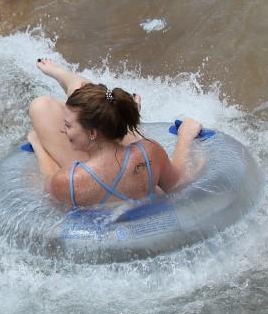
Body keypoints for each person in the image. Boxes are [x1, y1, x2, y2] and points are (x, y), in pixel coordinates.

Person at [26, 58, 203, 208]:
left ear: (93, 134)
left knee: (44, 106)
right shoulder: (148, 152)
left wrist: (38, 145)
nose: (63, 130)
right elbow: (178, 182)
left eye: (67, 126)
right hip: (125, 157)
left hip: (93, 175)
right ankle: (69, 79)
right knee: (89, 102)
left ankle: (72, 81)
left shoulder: (69, 181)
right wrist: (185, 136)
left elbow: (47, 183)